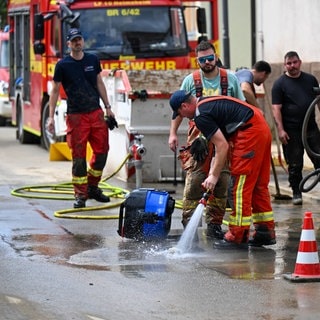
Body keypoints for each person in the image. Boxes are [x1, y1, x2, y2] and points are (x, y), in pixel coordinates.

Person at [169, 90, 276, 248]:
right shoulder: (207, 103)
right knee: (258, 186)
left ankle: (237, 235)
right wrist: (213, 170)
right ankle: (265, 231)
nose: (184, 117)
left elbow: (222, 146)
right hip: (260, 128)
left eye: (180, 113)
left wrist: (212, 176)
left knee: (240, 187)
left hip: (249, 134)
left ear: (184, 106)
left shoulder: (200, 116)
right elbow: (220, 145)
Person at [168, 40, 245, 239]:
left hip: (224, 140)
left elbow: (241, 109)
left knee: (221, 182)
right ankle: (190, 226)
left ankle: (214, 226)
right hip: (198, 143)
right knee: (195, 182)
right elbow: (178, 111)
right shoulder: (190, 81)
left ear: (216, 56)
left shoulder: (231, 79)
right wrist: (173, 133)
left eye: (210, 58)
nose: (208, 62)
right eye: (203, 60)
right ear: (197, 60)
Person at [47, 28, 116, 209]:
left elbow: (99, 82)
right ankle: (80, 195)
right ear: (68, 43)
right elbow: (54, 91)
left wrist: (108, 108)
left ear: (83, 41)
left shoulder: (92, 60)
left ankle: (93, 187)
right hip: (76, 116)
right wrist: (50, 118)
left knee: (102, 152)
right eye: (74, 40)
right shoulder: (63, 65)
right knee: (78, 158)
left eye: (80, 39)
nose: (77, 42)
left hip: (96, 113)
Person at [271, 51, 320, 205]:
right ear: (285, 65)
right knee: (295, 163)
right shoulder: (279, 84)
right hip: (291, 131)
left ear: (300, 62)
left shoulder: (310, 79)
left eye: (294, 62)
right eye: (289, 63)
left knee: (319, 158)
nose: (292, 66)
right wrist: (280, 130)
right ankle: (296, 192)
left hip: (311, 128)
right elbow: (276, 109)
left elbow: (318, 101)